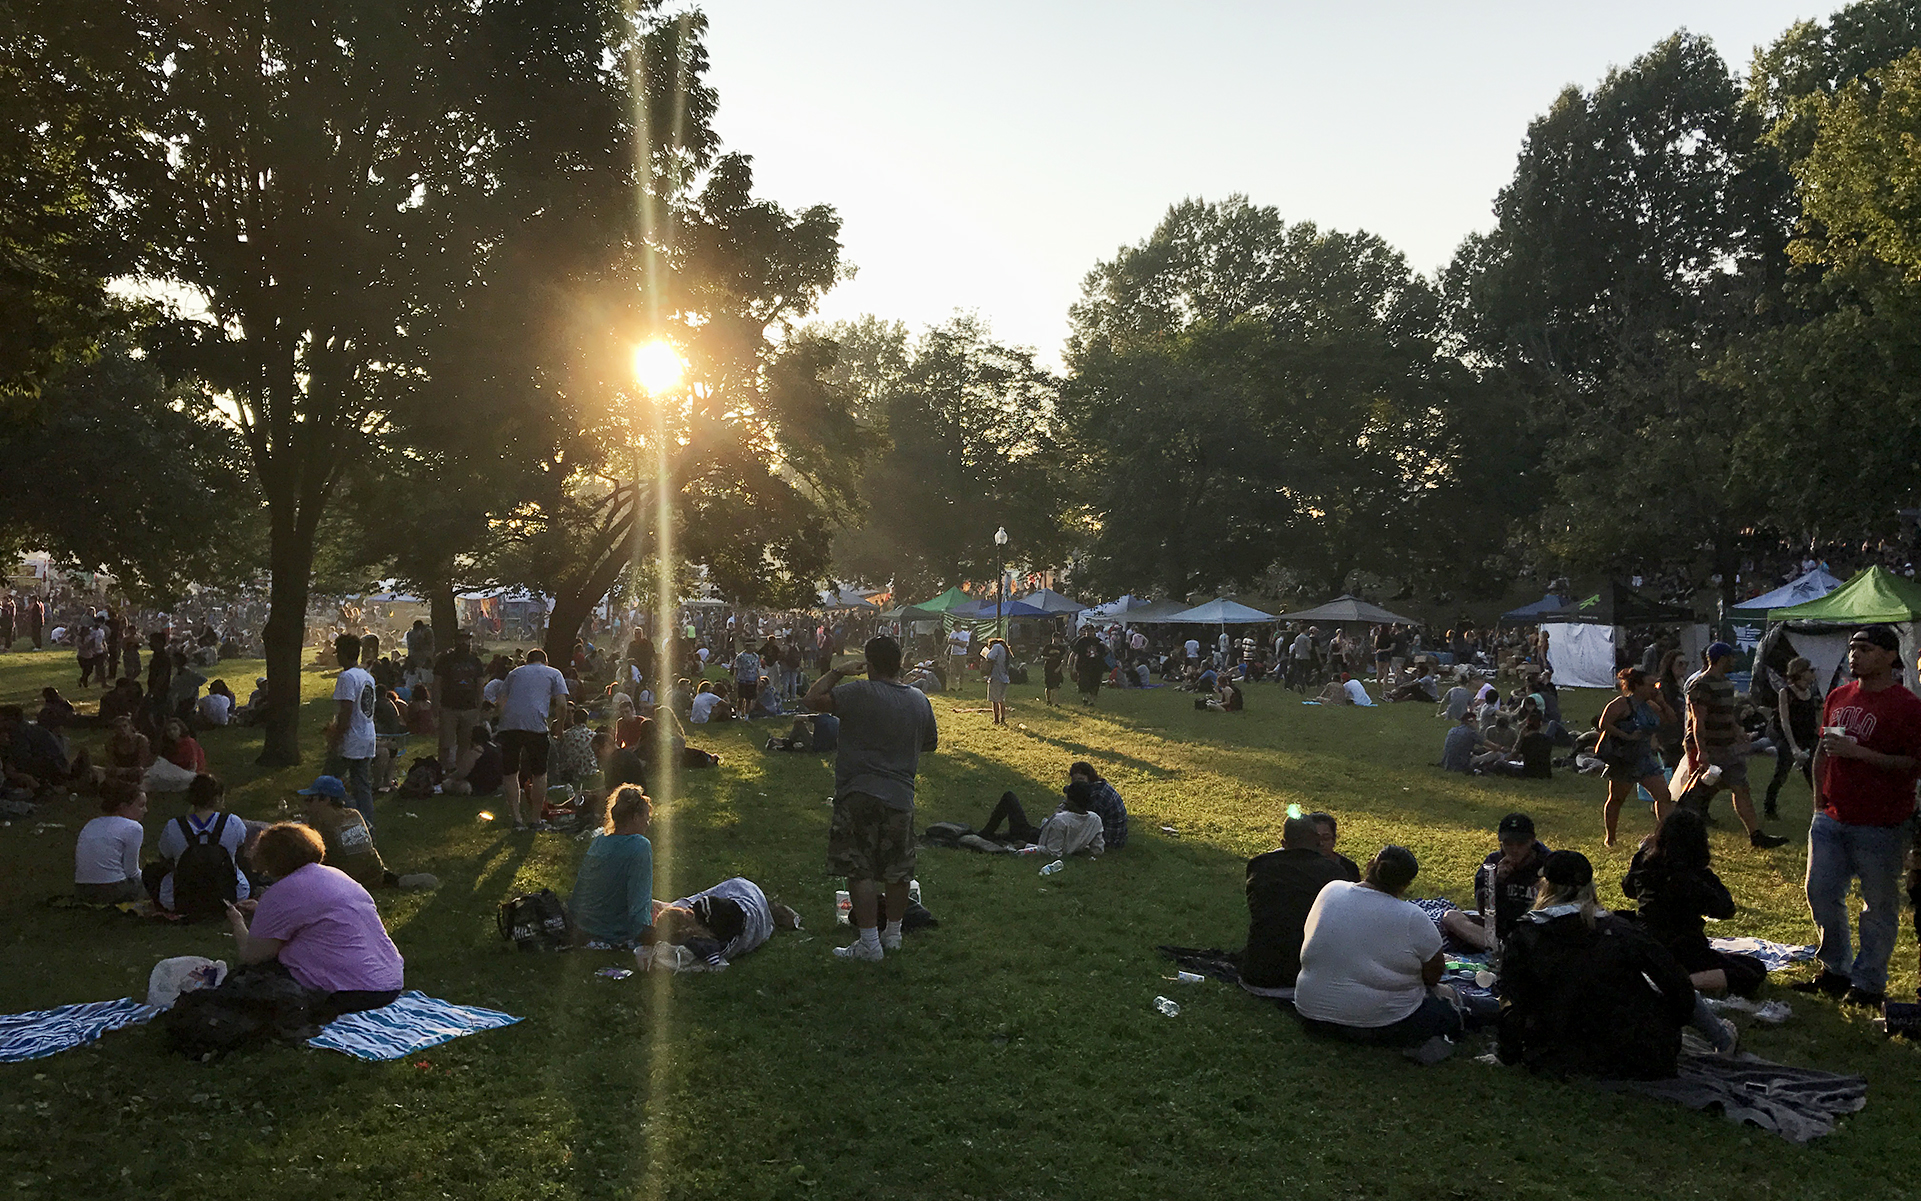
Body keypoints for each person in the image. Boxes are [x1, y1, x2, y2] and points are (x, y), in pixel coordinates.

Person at [1497, 850, 1715, 1076]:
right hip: (1641, 1053)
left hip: (1561, 1055)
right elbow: (1677, 983)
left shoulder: (1526, 935)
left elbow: (1512, 1003)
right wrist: (1668, 1025)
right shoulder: (1621, 930)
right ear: (1590, 887)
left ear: (1545, 886)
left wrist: (1508, 1053)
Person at [1795, 624, 1921, 1008]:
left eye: (1864, 648)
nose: (1854, 654)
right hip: (1832, 816)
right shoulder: (1839, 695)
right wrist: (1819, 801)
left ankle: (1868, 983)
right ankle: (1835, 969)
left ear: (1888, 656)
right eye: (1852, 648)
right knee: (1820, 892)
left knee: (1878, 906)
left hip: (1881, 821)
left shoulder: (1907, 706)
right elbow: (1823, 751)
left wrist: (1862, 754)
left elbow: (1913, 763)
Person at [803, 635, 939, 962]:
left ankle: (868, 943)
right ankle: (892, 935)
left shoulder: (859, 691)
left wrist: (838, 672)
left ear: (870, 664)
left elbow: (811, 700)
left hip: (858, 792)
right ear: (900, 662)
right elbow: (930, 743)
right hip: (901, 795)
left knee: (860, 868)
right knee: (898, 870)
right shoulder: (919, 700)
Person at [224, 822, 404, 1023]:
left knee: (260, 974)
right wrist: (261, 910)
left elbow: (252, 956)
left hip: (354, 991)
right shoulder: (337, 875)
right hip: (389, 981)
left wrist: (237, 923)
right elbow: (312, 914)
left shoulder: (281, 893)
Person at [1293, 846, 1463, 1058]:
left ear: (1369, 865)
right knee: (1448, 1010)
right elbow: (1433, 975)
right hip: (1377, 1025)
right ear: (1405, 885)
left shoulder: (1331, 890)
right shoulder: (1412, 917)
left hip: (1311, 1014)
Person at [1620, 807, 1766, 998]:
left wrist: (1641, 853)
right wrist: (1706, 873)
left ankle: (1660, 979)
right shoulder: (1694, 878)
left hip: (1646, 943)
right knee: (1754, 969)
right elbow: (1726, 909)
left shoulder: (1647, 865)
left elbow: (1628, 889)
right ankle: (1678, 983)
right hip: (1683, 948)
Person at [1682, 642, 1789, 849]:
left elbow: (1727, 714)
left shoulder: (1726, 684)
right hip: (1709, 746)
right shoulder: (1701, 685)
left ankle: (1756, 835)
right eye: (1732, 657)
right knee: (1699, 791)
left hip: (1727, 746)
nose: (1735, 661)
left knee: (1741, 788)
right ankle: (1682, 829)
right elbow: (1698, 720)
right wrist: (1701, 751)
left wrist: (1738, 732)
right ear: (1722, 659)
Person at [1240, 814, 1346, 997]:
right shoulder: (1335, 874)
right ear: (1318, 843)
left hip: (1255, 975)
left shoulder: (1259, 865)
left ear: (1284, 843)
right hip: (1306, 982)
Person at [1439, 812, 1549, 951]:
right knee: (1450, 917)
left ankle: (1511, 950)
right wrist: (1497, 881)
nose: (1515, 849)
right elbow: (1483, 911)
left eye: (1521, 844)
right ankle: (1502, 948)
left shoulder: (1548, 864)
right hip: (1500, 929)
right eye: (1508, 844)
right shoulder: (1493, 862)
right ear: (1500, 842)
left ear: (1532, 841)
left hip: (1535, 931)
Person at [147, 773, 250, 917]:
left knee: (152, 871)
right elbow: (241, 853)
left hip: (180, 900)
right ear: (217, 798)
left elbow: (164, 858)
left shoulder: (173, 826)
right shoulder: (233, 823)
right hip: (231, 896)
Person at [567, 787, 656, 946]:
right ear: (635, 817)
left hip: (581, 925)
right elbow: (639, 905)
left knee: (659, 905)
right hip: (611, 931)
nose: (648, 824)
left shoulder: (600, 841)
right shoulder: (639, 846)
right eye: (646, 818)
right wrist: (646, 935)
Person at [1597, 667, 1674, 847]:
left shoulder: (1651, 706)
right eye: (1651, 685)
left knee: (1664, 796)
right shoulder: (1621, 704)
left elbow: (1671, 720)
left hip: (1645, 758)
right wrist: (1626, 736)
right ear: (1637, 686)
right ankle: (1611, 838)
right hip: (1625, 758)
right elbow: (1604, 723)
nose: (1655, 688)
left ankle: (1662, 837)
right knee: (1616, 798)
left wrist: (1662, 703)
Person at [495, 647, 571, 829]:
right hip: (536, 726)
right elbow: (562, 704)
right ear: (545, 661)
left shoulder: (514, 673)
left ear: (527, 661)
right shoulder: (553, 673)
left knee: (510, 772)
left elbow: (501, 701)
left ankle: (516, 818)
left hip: (510, 726)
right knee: (539, 773)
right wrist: (559, 727)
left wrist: (503, 721)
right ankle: (535, 819)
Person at [326, 633, 378, 829]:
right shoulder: (367, 676)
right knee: (362, 786)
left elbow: (347, 711)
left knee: (327, 782)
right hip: (367, 735)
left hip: (351, 738)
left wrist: (336, 738)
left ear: (343, 654)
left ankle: (326, 820)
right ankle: (367, 825)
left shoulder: (346, 677)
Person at [1764, 656, 1821, 820]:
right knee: (1781, 773)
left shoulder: (1811, 692)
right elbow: (1785, 721)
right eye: (1810, 670)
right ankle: (1769, 807)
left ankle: (1821, 809)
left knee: (1813, 774)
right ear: (1801, 672)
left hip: (1808, 737)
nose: (1813, 673)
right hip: (1789, 737)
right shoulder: (1786, 693)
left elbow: (1813, 719)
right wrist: (1794, 747)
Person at [73, 780, 148, 903]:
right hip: (114, 889)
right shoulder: (133, 827)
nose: (145, 810)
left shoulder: (92, 823)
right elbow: (132, 871)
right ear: (123, 807)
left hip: (82, 890)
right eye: (141, 805)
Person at [976, 787, 1105, 855]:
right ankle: (998, 836)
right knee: (1008, 834)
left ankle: (985, 834)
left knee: (1009, 798)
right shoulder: (1094, 819)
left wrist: (1026, 846)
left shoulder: (1061, 821)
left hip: (1033, 838)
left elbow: (1052, 852)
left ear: (1071, 802)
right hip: (1040, 834)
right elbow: (1098, 849)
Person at [433, 630, 486, 772]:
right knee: (446, 742)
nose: (464, 642)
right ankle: (443, 770)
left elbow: (480, 686)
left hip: (470, 709)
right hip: (448, 707)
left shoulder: (475, 662)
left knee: (466, 742)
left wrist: (479, 708)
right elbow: (437, 684)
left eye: (466, 640)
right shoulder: (445, 660)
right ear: (455, 641)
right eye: (461, 639)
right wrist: (435, 707)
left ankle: (460, 770)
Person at [0, 704, 76, 798]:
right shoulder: (28, 729)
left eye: (4, 721)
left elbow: (22, 759)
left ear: (13, 720)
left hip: (54, 768)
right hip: (56, 764)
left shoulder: (20, 733)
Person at [443, 727, 504, 797]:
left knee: (446, 784)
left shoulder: (476, 751)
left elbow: (463, 772)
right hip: (497, 784)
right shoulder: (497, 749)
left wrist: (450, 776)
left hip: (478, 786)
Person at [1308, 811, 1362, 881]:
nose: (1321, 843)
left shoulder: (1349, 867)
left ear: (1334, 839)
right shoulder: (1299, 867)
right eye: (1315, 839)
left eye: (1326, 838)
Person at [982, 636, 1011, 725]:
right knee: (1001, 699)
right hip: (1004, 677)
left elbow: (990, 657)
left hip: (996, 677)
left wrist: (986, 653)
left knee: (994, 700)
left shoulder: (996, 647)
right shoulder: (1004, 649)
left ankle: (996, 719)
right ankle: (1003, 718)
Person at [1039, 633, 1067, 706]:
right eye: (1056, 638)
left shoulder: (1061, 648)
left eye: (1058, 638)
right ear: (1053, 638)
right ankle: (1048, 700)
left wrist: (1059, 667)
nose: (1057, 640)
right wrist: (1049, 658)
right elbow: (1042, 656)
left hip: (1057, 668)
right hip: (1048, 668)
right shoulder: (1048, 647)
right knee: (1048, 686)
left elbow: (1064, 659)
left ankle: (1056, 702)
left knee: (1056, 687)